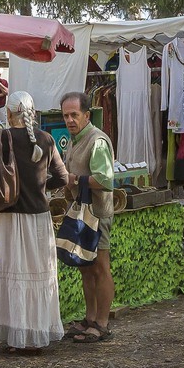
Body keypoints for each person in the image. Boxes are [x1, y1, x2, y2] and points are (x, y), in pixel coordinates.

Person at [0, 89, 67, 353]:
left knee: (13, 277)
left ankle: (17, 337)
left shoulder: (2, 137)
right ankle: (36, 336)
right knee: (37, 276)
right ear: (32, 112)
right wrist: (40, 187)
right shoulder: (46, 139)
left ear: (8, 113)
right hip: (39, 219)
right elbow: (63, 177)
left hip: (9, 219)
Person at [61, 91, 116, 343]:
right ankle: (90, 318)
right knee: (86, 267)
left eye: (74, 115)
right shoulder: (74, 140)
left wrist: (74, 179)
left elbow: (104, 179)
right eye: (66, 116)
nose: (70, 120)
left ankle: (101, 324)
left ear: (87, 115)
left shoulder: (97, 141)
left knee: (100, 267)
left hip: (97, 213)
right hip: (82, 213)